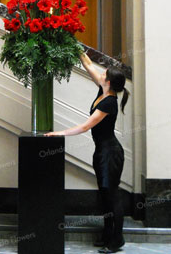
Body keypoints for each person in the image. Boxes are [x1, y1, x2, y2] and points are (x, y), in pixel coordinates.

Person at [44, 50, 130, 253]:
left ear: (108, 82)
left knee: (111, 196)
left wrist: (59, 133)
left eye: (104, 74)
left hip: (110, 154)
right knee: (104, 195)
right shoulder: (104, 90)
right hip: (102, 151)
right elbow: (89, 65)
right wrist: (75, 47)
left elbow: (85, 127)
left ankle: (117, 240)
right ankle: (108, 235)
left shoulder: (109, 102)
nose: (100, 74)